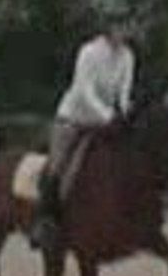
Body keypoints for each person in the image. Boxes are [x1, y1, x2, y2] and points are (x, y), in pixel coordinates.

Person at [28, 20, 137, 252]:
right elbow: (84, 90)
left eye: (127, 27)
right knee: (58, 166)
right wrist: (107, 114)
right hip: (73, 119)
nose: (125, 32)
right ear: (108, 29)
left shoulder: (127, 56)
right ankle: (43, 221)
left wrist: (125, 109)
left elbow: (124, 91)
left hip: (105, 122)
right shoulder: (88, 52)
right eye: (121, 27)